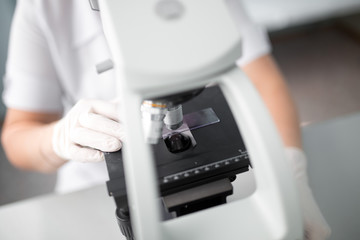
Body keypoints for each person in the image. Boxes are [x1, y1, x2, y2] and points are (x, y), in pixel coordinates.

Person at [1, 0, 330, 239]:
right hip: (91, 188)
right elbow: (18, 136)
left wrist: (290, 170)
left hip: (217, 173)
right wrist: (57, 138)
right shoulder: (43, 8)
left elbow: (261, 80)